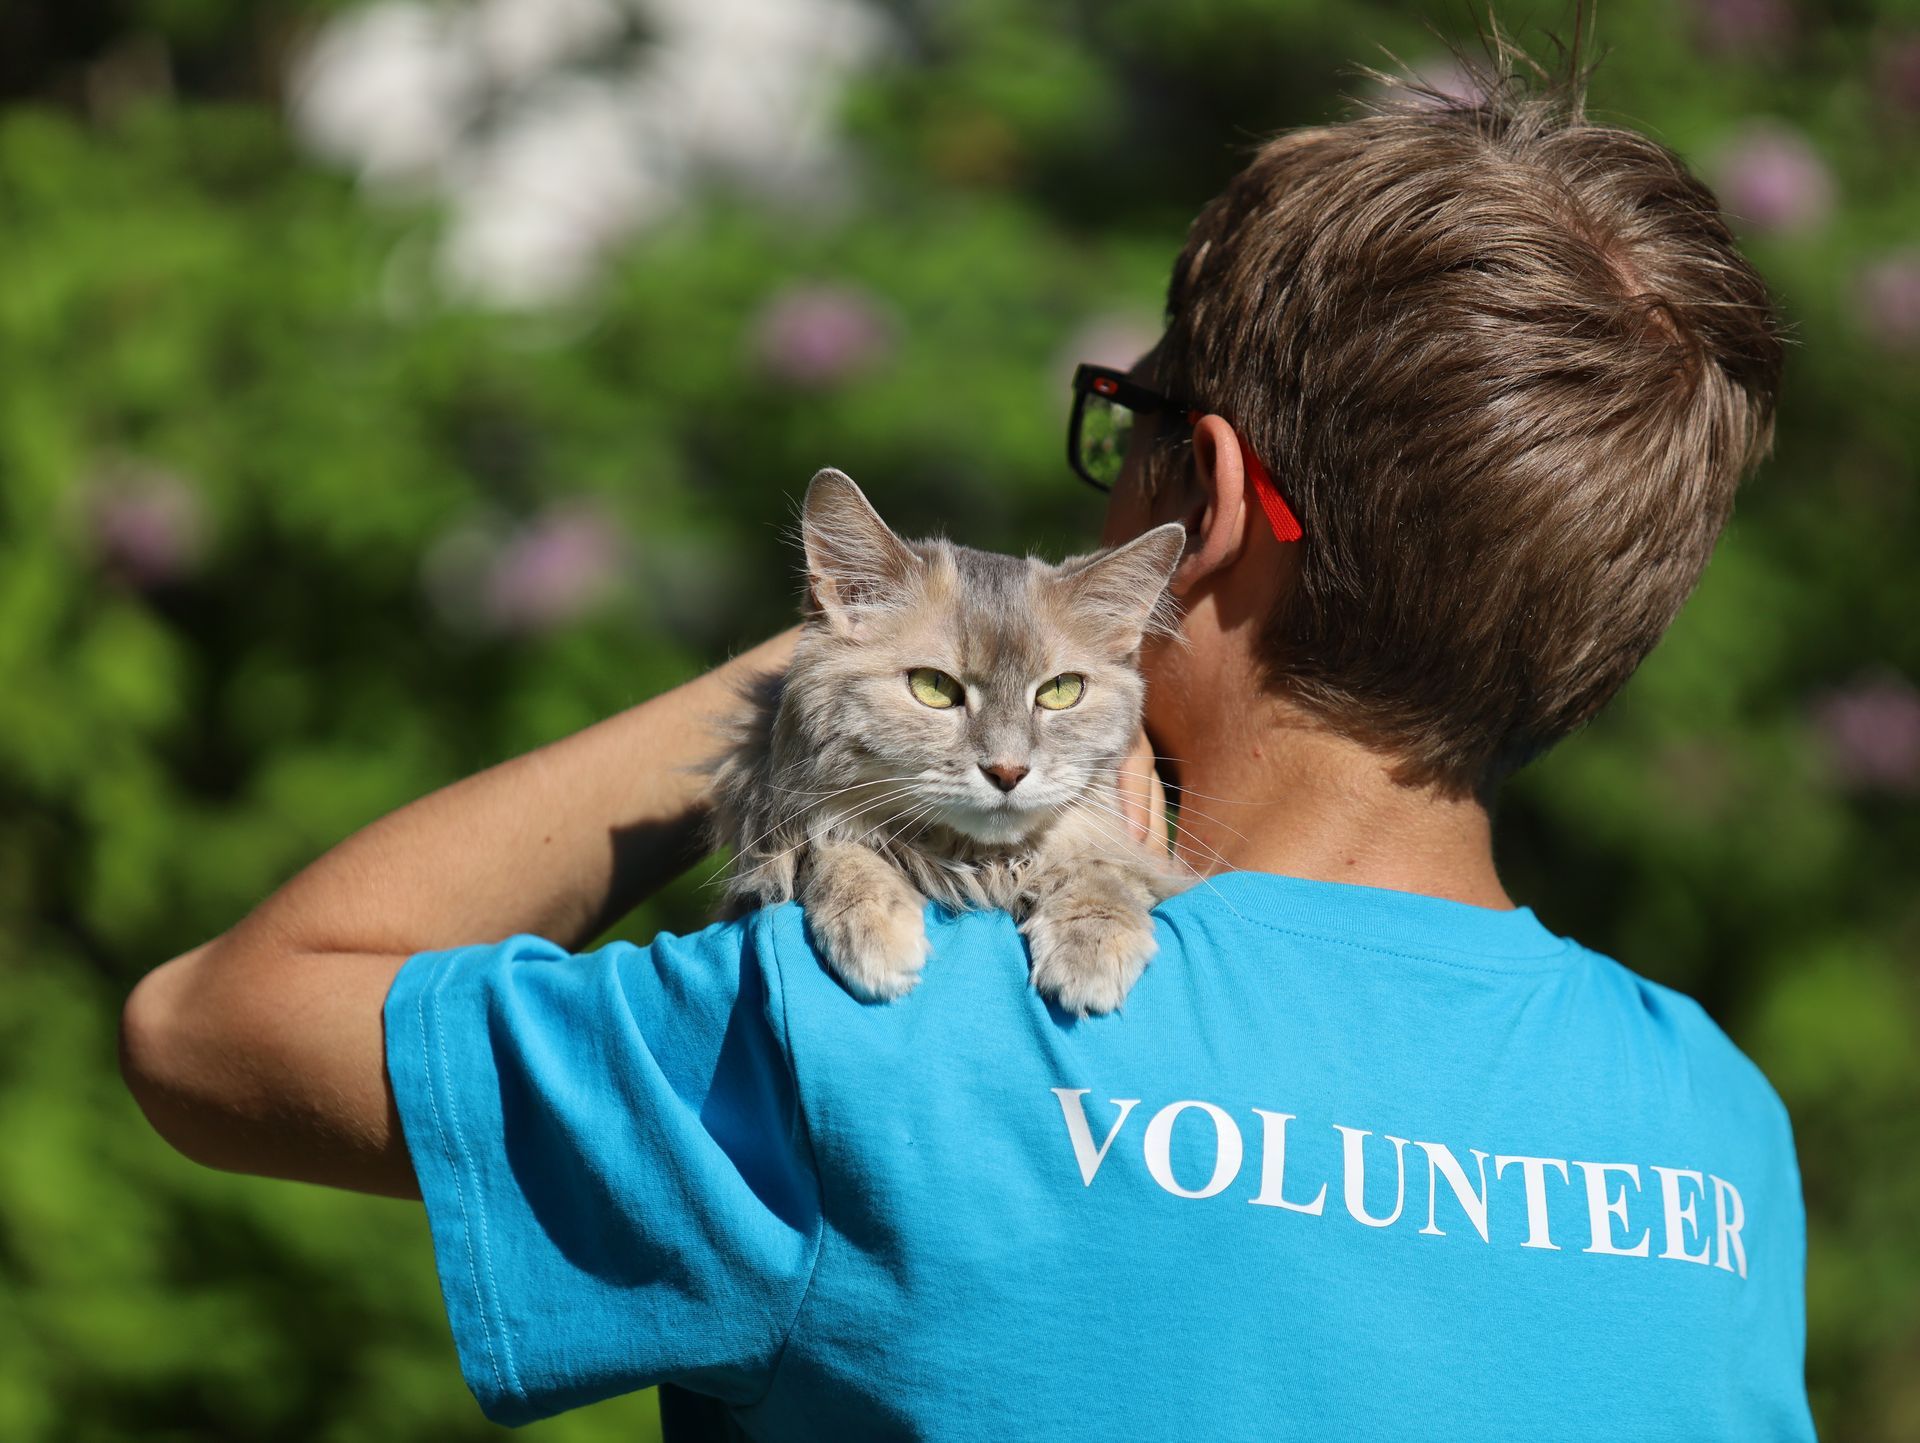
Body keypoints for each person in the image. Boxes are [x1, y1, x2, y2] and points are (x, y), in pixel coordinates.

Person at [118, 45, 1816, 1443]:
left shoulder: (879, 1043)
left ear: (1206, 507)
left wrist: (832, 666)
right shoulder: (1722, 1137)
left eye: (1126, 429)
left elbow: (209, 1027)